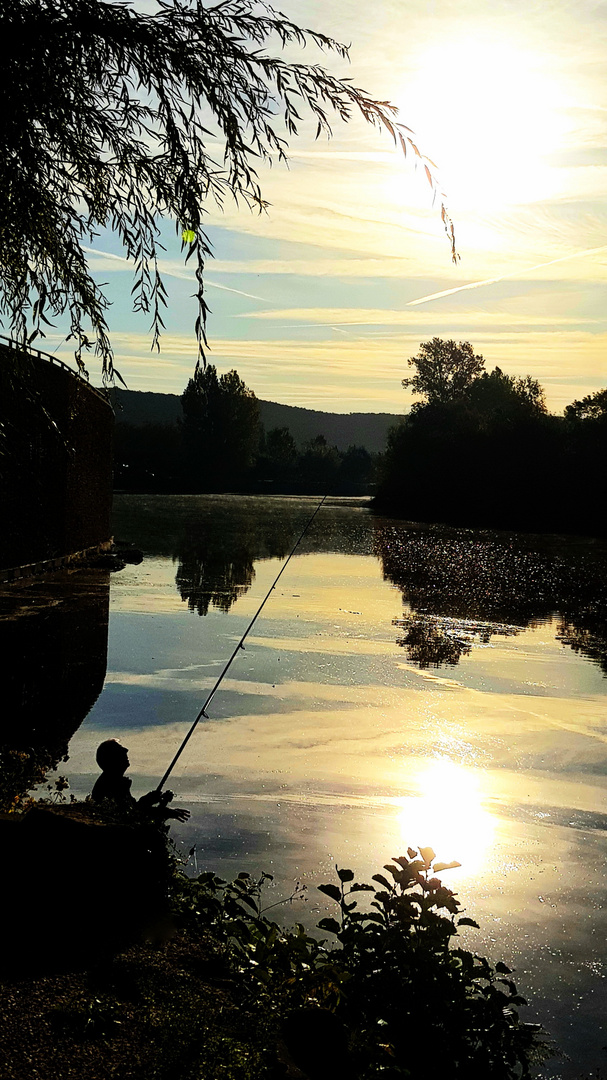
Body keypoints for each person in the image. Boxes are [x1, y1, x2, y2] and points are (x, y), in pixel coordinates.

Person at [91, 739, 190, 822]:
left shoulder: (112, 781)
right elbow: (133, 815)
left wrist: (152, 800)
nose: (126, 750)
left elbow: (133, 810)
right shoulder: (112, 783)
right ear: (112, 758)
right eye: (120, 750)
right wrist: (165, 811)